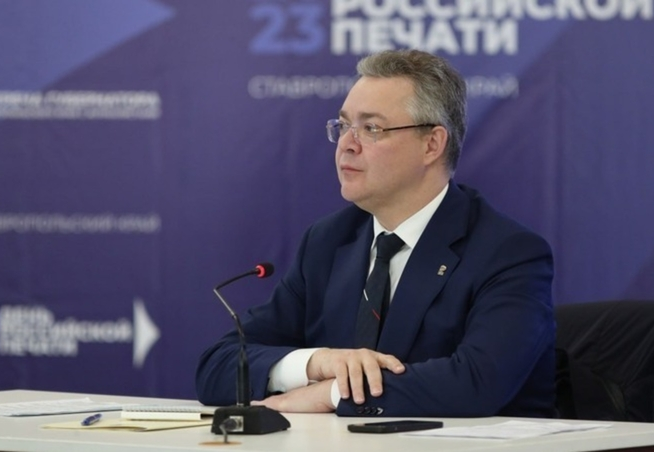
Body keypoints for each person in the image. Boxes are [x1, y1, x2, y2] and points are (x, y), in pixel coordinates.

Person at [195, 49, 555, 418]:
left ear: (432, 144)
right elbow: (218, 366)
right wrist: (316, 363)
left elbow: (477, 382)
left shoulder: (507, 252)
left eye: (371, 129)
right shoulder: (328, 241)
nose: (346, 144)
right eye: (343, 126)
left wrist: (331, 393)